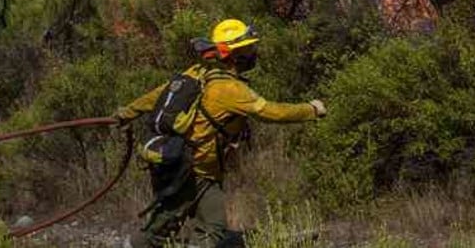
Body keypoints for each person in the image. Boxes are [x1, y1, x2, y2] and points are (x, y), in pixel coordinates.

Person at [115, 19, 326, 248]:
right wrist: (311, 109)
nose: (252, 53)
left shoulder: (197, 72)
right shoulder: (229, 89)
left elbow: (159, 94)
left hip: (195, 170)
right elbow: (269, 112)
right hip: (191, 172)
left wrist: (127, 112)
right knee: (161, 229)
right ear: (233, 54)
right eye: (247, 49)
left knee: (208, 226)